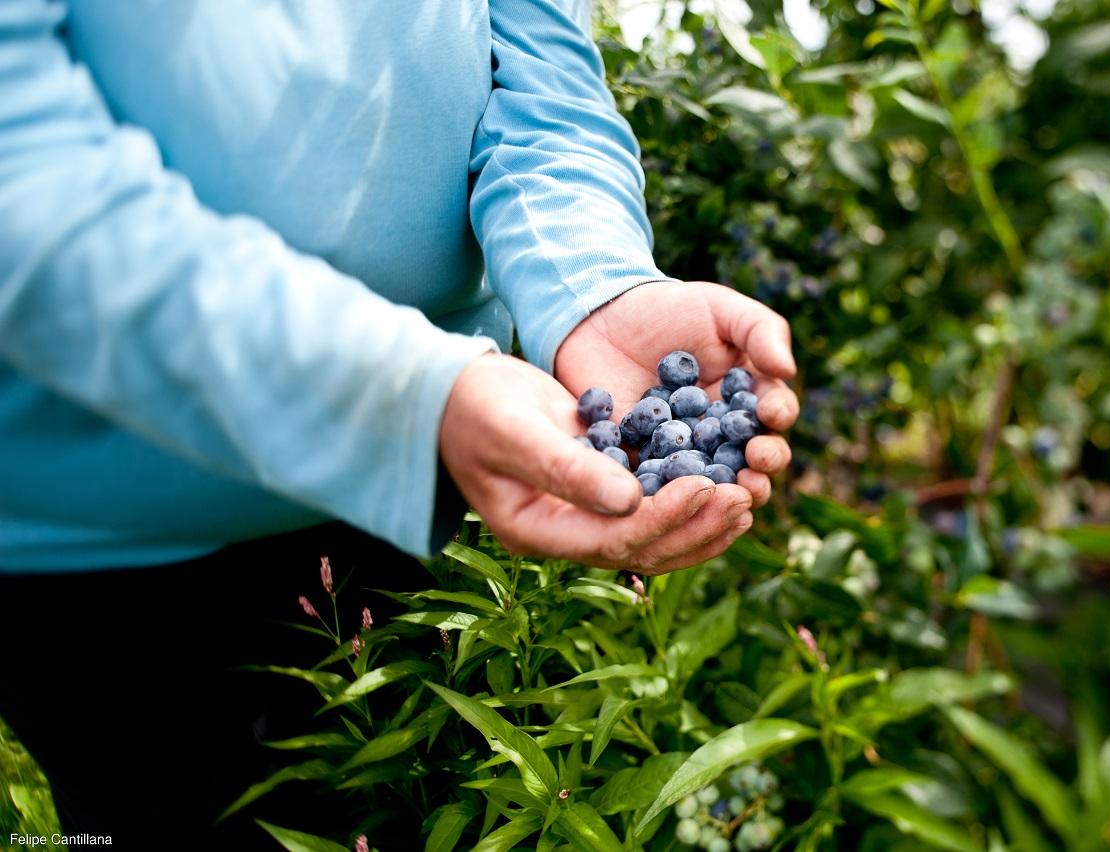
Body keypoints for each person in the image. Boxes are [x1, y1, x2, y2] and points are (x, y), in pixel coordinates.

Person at [0, 0, 799, 845]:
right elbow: (24, 182)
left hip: (426, 465)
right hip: (109, 535)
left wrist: (598, 283)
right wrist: (409, 389)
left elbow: (535, 78)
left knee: (427, 807)